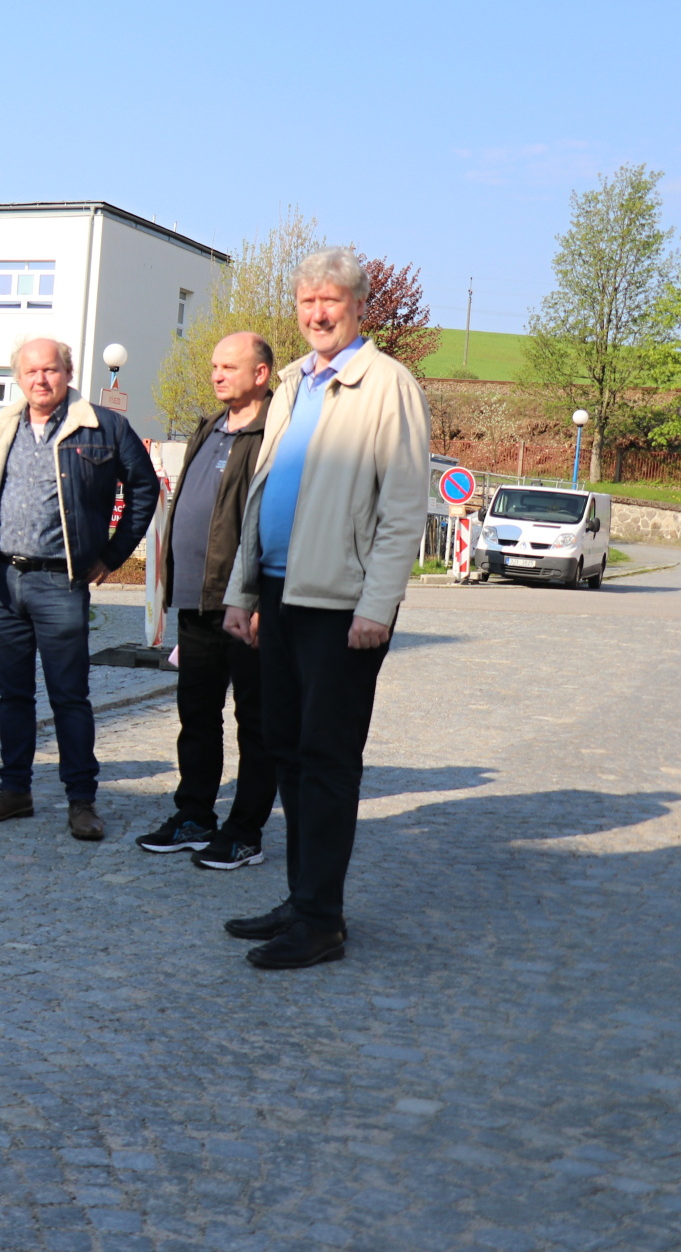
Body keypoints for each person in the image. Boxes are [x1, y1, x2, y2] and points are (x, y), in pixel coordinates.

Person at [220, 248, 430, 969]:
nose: (317, 313)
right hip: (279, 593)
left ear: (358, 306)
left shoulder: (387, 385)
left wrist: (380, 604)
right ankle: (300, 897)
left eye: (330, 300)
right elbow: (261, 495)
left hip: (342, 606)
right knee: (284, 748)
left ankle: (321, 920)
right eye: (307, 301)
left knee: (327, 758)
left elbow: (403, 508)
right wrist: (243, 591)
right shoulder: (291, 384)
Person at [0, 338, 159, 840]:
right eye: (30, 372)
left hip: (60, 581)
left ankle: (81, 800)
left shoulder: (103, 426)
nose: (40, 379)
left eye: (50, 370)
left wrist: (112, 555)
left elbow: (144, 487)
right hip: (3, 579)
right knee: (12, 694)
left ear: (68, 373)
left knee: (69, 695)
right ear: (18, 377)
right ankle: (14, 790)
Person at [135, 332, 279, 870]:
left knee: (255, 720)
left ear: (260, 374)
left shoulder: (275, 435)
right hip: (195, 599)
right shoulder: (209, 426)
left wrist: (260, 597)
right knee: (196, 713)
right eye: (215, 366)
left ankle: (245, 831)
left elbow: (276, 519)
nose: (217, 374)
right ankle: (195, 815)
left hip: (245, 602)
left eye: (229, 367)